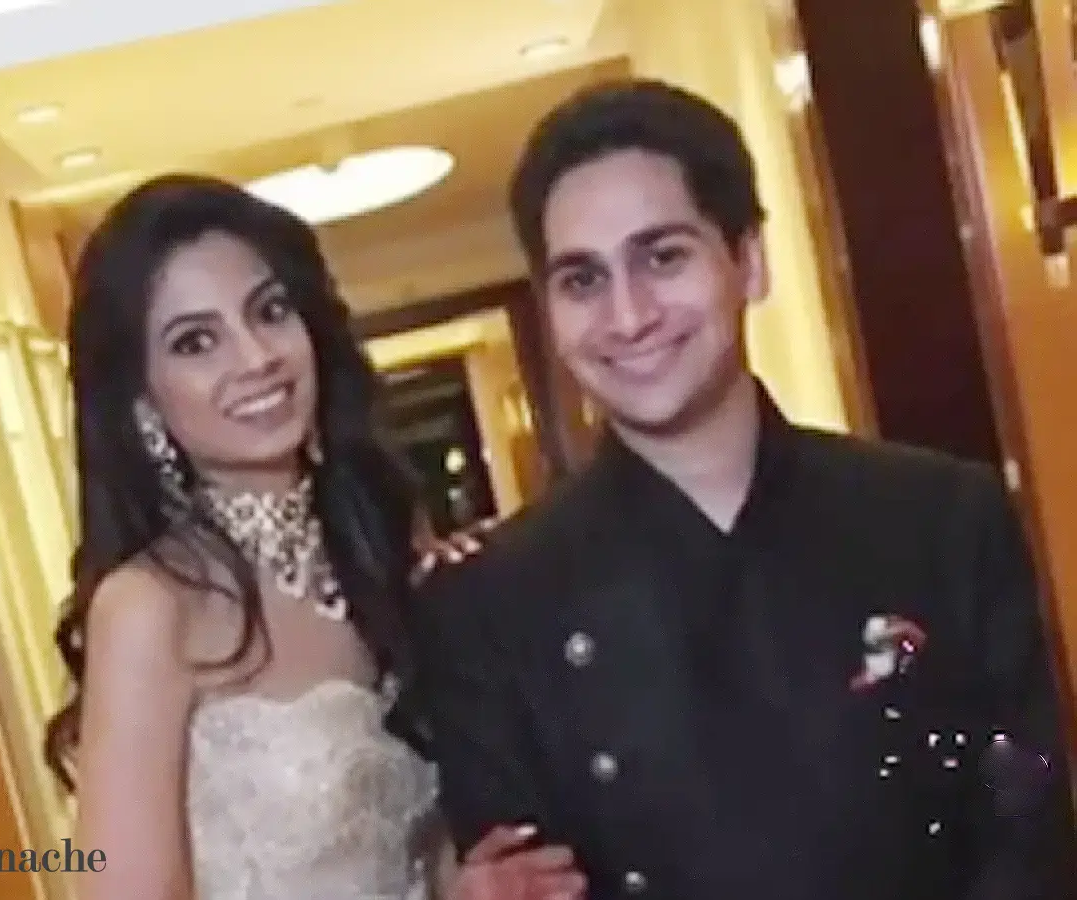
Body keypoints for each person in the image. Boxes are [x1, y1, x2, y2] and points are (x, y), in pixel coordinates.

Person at [413, 78, 1077, 899]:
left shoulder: (941, 519)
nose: (628, 316)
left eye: (663, 257)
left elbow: (1028, 825)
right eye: (582, 280)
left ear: (749, 260)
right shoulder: (490, 603)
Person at [43, 173, 587, 900]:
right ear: (143, 399)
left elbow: (402, 849)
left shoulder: (378, 550)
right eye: (196, 342)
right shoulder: (149, 608)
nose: (255, 357)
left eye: (269, 311)